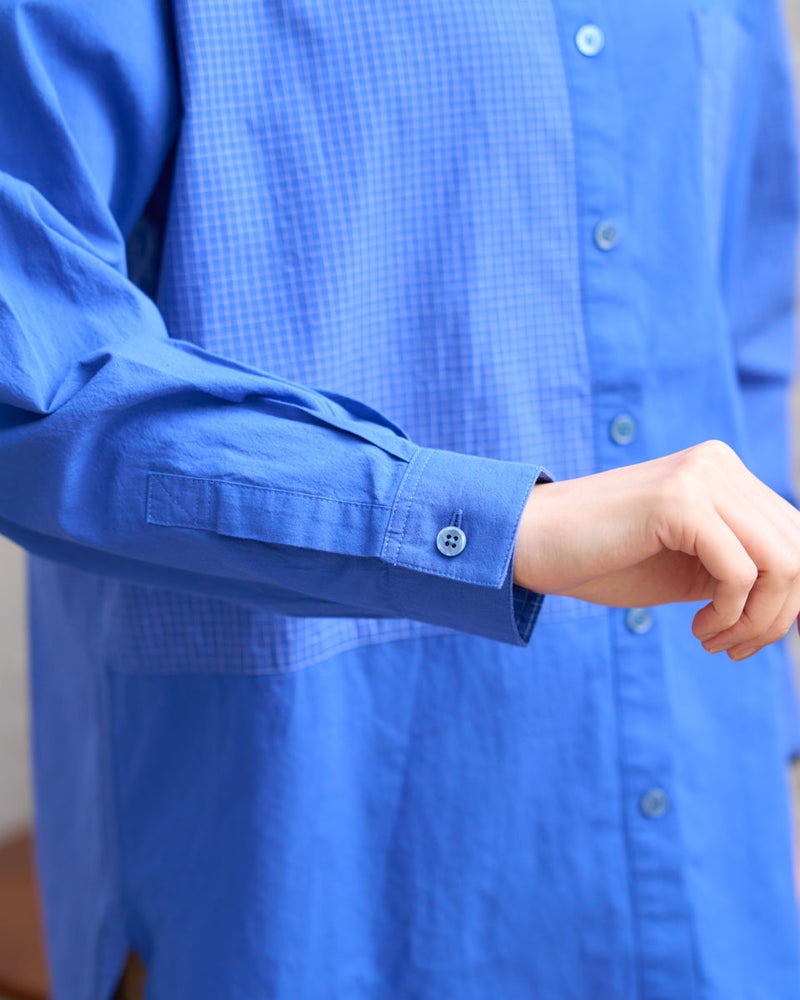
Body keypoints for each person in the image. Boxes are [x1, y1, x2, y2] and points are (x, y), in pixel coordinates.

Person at [1, 0, 799, 997]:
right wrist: (496, 526)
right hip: (302, 876)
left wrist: (759, 724)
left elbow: (743, 335)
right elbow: (31, 379)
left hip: (707, 864)